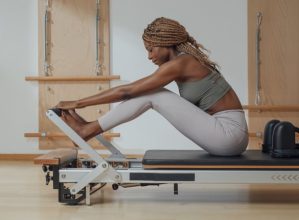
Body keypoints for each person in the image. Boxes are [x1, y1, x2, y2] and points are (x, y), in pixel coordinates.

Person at [55, 17, 248, 156]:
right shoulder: (185, 62)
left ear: (166, 44)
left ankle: (88, 130)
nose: (149, 56)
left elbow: (127, 91)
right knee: (153, 93)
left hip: (228, 135)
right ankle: (87, 128)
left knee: (154, 94)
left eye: (151, 49)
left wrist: (79, 102)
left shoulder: (181, 63)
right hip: (228, 135)